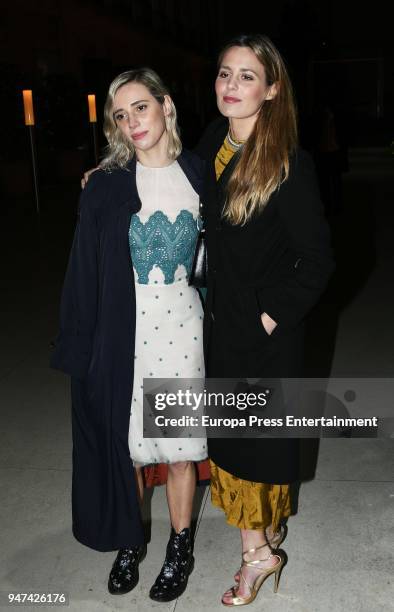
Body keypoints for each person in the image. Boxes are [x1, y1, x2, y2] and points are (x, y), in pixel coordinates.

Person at [51, 68, 207, 602]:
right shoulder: (108, 185)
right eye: (120, 114)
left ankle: (180, 545)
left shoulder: (202, 175)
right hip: (126, 332)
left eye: (140, 107)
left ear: (165, 106)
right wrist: (79, 346)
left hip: (184, 329)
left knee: (181, 451)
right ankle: (129, 539)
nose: (131, 121)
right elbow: (82, 271)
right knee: (132, 451)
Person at [195, 34, 335, 606]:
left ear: (273, 89)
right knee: (235, 440)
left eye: (247, 76)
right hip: (218, 322)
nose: (231, 85)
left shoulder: (289, 166)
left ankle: (258, 556)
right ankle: (268, 533)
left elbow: (318, 260)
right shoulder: (213, 143)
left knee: (250, 443)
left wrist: (266, 320)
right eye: (225, 73)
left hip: (260, 334)